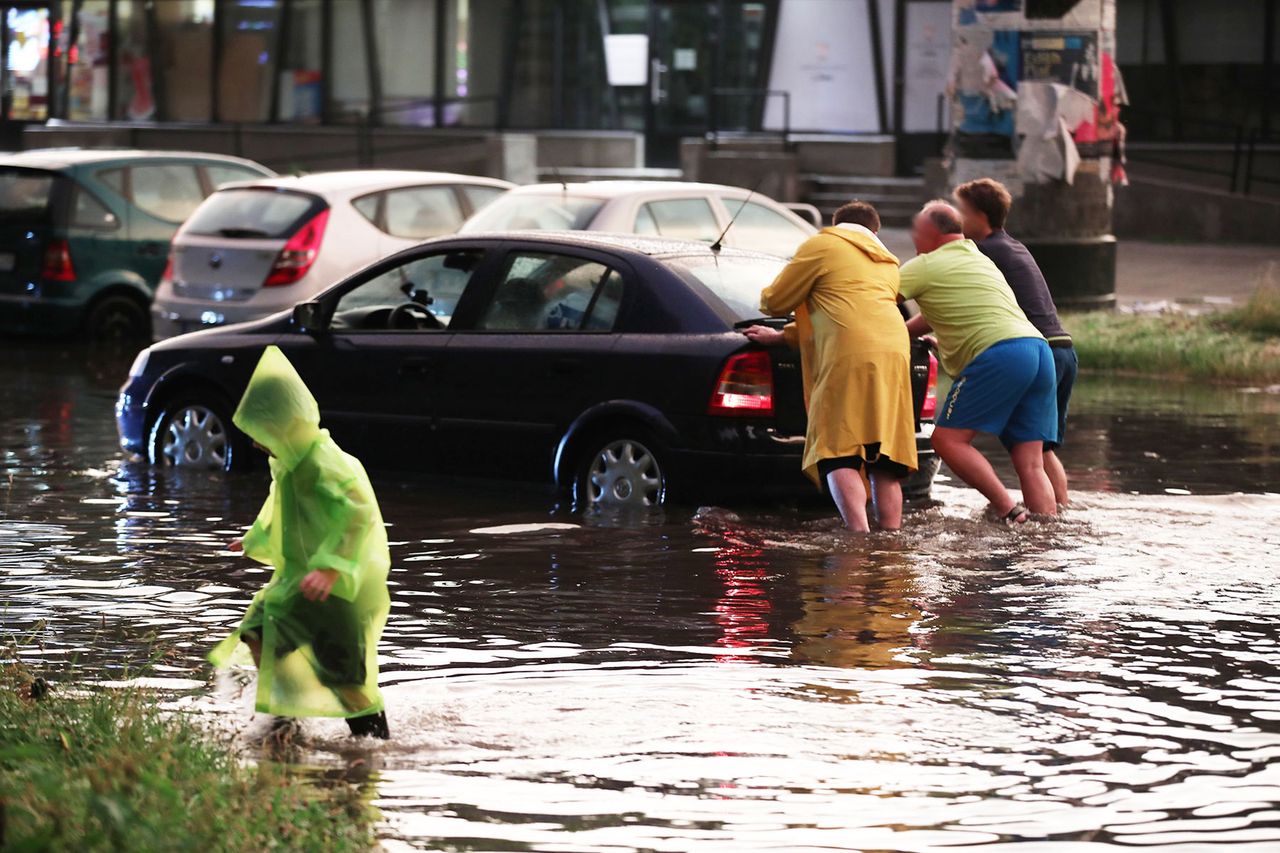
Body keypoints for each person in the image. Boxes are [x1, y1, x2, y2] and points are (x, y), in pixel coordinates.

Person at [208, 345, 392, 739]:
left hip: (336, 591)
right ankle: (283, 719)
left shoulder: (323, 461)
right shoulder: (289, 464)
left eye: (263, 433)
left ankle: (373, 745)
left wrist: (332, 566)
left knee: (344, 677)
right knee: (257, 632)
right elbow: (280, 507)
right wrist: (254, 537)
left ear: (287, 423)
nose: (257, 445)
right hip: (298, 583)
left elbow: (357, 511)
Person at [741, 201, 917, 532]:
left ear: (838, 226)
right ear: (874, 232)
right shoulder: (888, 263)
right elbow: (845, 307)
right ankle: (890, 539)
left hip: (848, 352)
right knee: (885, 455)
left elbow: (775, 300)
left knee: (838, 448)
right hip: (895, 351)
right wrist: (785, 336)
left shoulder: (823, 244)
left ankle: (858, 536)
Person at [898, 200, 1057, 523]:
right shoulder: (979, 260)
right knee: (1031, 462)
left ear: (930, 233)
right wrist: (905, 332)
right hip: (1038, 351)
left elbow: (866, 296)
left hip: (1000, 353)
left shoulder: (926, 265)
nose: (913, 238)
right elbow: (938, 313)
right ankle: (1044, 536)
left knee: (946, 439)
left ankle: (1009, 511)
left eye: (915, 231)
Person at [954, 177, 1077, 506]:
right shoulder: (1013, 245)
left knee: (1027, 453)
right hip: (1062, 349)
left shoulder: (982, 252)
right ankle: (1059, 514)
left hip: (1035, 351)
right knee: (1041, 449)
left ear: (980, 216)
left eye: (961, 211)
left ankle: (1032, 518)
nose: (956, 217)